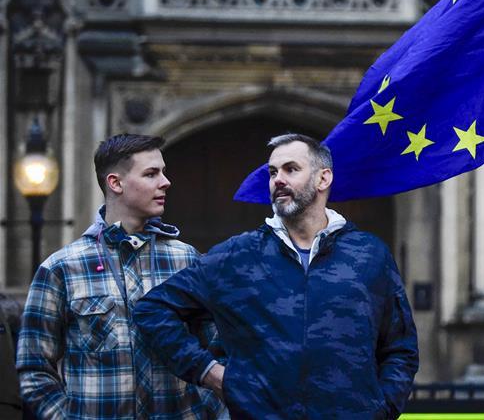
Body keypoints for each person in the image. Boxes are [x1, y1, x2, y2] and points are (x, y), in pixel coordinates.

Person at [134, 133, 419, 419]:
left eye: (291, 169)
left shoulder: (370, 254)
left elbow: (400, 348)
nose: (277, 180)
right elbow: (152, 309)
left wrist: (383, 409)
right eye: (273, 172)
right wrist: (211, 373)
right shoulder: (237, 256)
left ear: (323, 179)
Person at [16, 134, 224, 419]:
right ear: (115, 183)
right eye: (151, 173)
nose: (166, 182)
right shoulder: (62, 268)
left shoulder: (186, 260)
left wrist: (204, 413)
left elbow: (220, 346)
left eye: (163, 172)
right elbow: (34, 368)